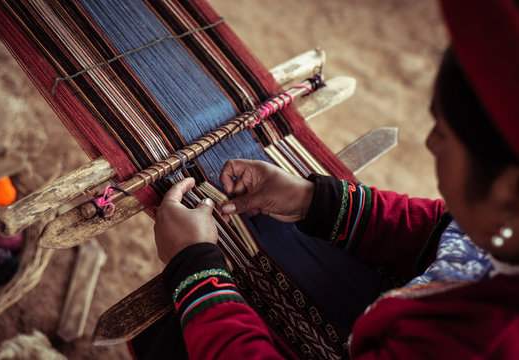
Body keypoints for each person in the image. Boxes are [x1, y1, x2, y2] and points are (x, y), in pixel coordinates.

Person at [131, 1, 519, 358]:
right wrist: (313, 199)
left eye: (444, 133)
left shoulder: (471, 343)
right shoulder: (501, 232)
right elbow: (439, 232)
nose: (430, 143)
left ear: (505, 191)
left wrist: (196, 271)